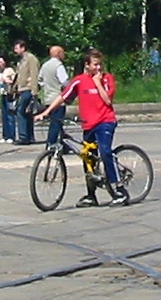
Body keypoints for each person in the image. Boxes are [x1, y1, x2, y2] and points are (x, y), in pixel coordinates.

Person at [35, 48, 127, 207]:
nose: (98, 68)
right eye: (95, 65)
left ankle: (119, 189)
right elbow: (63, 97)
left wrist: (97, 83)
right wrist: (47, 112)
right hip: (88, 124)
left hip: (105, 121)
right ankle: (91, 195)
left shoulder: (107, 79)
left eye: (100, 65)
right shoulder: (79, 81)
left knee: (105, 151)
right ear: (87, 65)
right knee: (88, 157)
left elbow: (107, 101)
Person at [37, 45, 69, 148]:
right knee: (56, 123)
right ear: (58, 54)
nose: (64, 55)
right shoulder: (58, 66)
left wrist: (46, 86)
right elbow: (64, 82)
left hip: (48, 98)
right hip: (58, 98)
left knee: (56, 122)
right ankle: (51, 144)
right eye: (62, 52)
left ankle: (62, 143)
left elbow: (40, 80)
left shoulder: (45, 65)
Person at [12, 39, 41, 145]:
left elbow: (34, 75)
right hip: (22, 89)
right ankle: (29, 136)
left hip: (28, 89)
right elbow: (19, 75)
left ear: (23, 48)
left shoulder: (31, 59)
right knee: (27, 113)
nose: (15, 51)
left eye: (16, 48)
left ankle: (23, 136)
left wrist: (34, 91)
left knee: (21, 111)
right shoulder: (21, 60)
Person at [0, 56, 18, 143]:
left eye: (1, 61)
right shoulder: (0, 72)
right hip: (3, 94)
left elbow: (14, 81)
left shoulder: (9, 70)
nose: (0, 64)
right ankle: (5, 135)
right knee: (4, 116)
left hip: (9, 94)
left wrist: (6, 81)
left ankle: (11, 136)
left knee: (10, 115)